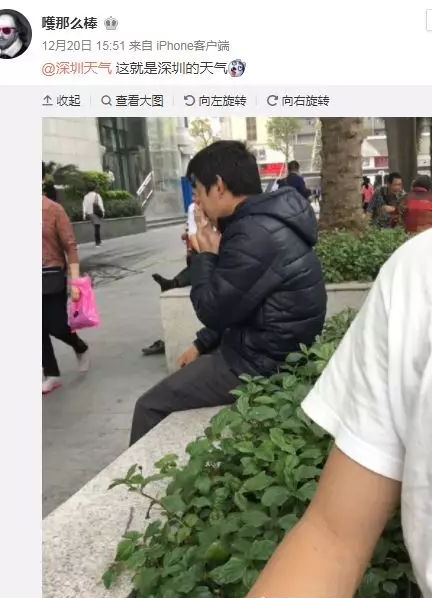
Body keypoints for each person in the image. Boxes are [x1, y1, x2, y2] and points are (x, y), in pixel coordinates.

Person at [237, 186, 432, 598]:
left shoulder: (245, 234)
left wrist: (207, 262)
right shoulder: (428, 270)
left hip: (255, 358)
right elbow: (332, 537)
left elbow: (221, 308)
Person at [130, 141, 327, 446]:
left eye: (198, 190)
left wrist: (204, 254)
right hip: (268, 348)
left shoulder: (254, 234)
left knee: (149, 407)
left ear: (219, 186)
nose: (196, 200)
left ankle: (139, 479)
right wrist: (201, 343)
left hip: (261, 364)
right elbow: (240, 298)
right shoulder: (264, 222)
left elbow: (212, 309)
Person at [42, 165, 90, 395]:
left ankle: (79, 345)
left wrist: (75, 281)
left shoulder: (53, 210)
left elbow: (70, 246)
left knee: (57, 326)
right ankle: (51, 374)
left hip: (51, 275)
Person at [143, 197, 201, 357]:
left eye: (198, 193)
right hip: (199, 251)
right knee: (198, 262)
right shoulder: (194, 208)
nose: (195, 197)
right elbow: (192, 233)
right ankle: (173, 283)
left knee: (201, 263)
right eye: (194, 193)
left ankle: (173, 283)